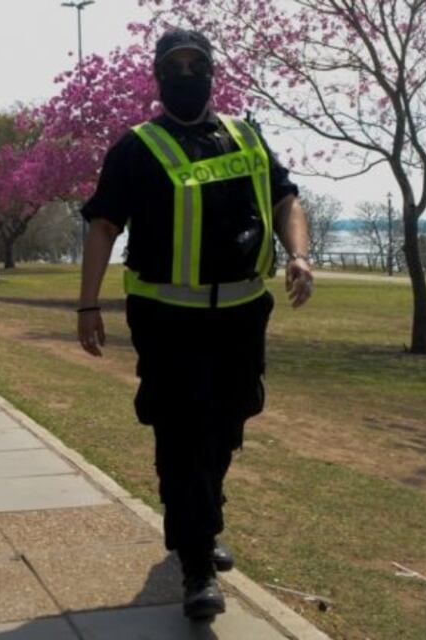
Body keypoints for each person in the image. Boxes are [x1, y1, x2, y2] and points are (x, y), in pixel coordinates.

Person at [76, 29, 314, 621]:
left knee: (225, 428)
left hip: (240, 316)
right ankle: (197, 561)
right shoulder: (135, 148)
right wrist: (87, 305)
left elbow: (285, 199)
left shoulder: (244, 134)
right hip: (167, 321)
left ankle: (201, 521)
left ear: (212, 73)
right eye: (175, 67)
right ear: (159, 77)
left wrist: (300, 254)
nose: (187, 75)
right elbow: (103, 225)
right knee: (181, 435)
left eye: (197, 65)